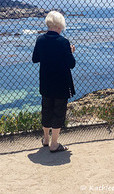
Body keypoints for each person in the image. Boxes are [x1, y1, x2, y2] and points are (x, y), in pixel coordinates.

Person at [32, 10, 76, 153]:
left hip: (45, 81)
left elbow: (35, 59)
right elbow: (71, 64)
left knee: (46, 110)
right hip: (61, 83)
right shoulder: (64, 42)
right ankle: (54, 144)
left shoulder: (40, 39)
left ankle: (45, 139)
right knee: (58, 112)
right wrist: (70, 52)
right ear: (59, 26)